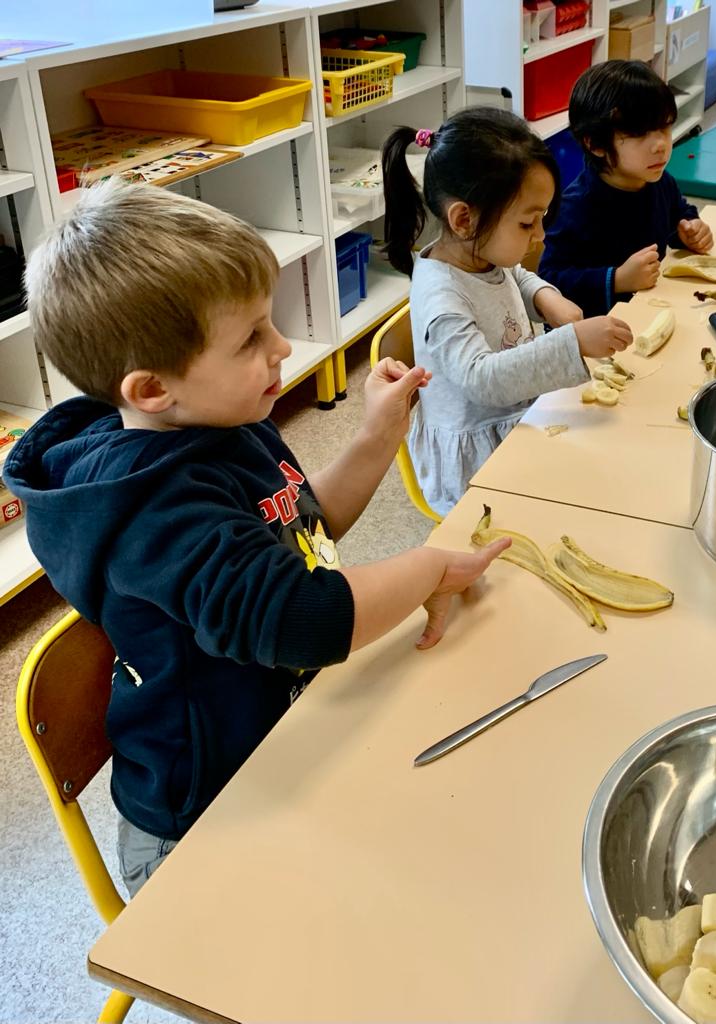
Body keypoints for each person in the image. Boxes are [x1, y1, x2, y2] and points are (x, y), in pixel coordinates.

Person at [3, 181, 510, 895]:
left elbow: (299, 531)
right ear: (152, 390)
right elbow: (300, 616)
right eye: (250, 339)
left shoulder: (221, 422)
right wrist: (426, 568)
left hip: (281, 745)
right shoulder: (156, 510)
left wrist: (373, 440)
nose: (282, 347)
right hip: (201, 825)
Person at [382, 107, 632, 516]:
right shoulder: (440, 297)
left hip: (517, 415)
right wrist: (571, 343)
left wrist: (547, 298)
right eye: (527, 223)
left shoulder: (481, 253)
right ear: (464, 219)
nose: (540, 236)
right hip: (474, 464)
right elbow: (482, 380)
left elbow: (513, 275)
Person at [538, 60, 714, 317]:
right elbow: (549, 281)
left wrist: (690, 229)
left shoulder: (660, 182)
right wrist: (617, 279)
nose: (660, 145)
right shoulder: (574, 207)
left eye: (664, 127)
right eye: (640, 133)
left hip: (652, 311)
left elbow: (679, 214)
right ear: (596, 144)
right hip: (599, 334)